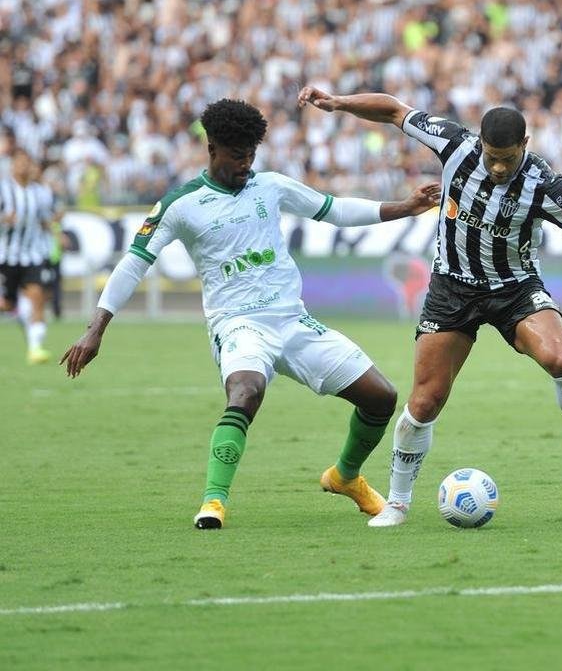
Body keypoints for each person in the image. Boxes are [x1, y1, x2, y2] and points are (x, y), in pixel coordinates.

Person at [297, 85, 562, 528]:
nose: (496, 166)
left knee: (560, 357)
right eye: (491, 155)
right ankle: (397, 502)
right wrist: (338, 103)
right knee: (426, 399)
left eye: (506, 159)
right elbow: (395, 110)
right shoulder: (454, 145)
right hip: (452, 287)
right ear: (480, 142)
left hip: (514, 287)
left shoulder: (544, 185)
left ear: (524, 147)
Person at [60, 99, 441, 530]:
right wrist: (95, 330)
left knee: (381, 398)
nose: (246, 163)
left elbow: (333, 210)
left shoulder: (270, 186)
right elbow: (134, 262)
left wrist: (405, 206)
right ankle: (213, 501)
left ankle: (345, 477)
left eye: (251, 154)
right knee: (246, 391)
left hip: (293, 320)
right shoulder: (181, 204)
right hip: (237, 323)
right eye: (237, 154)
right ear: (212, 148)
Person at [0, 148, 56, 364]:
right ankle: (17, 311)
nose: (24, 167)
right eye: (20, 162)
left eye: (27, 162)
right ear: (12, 165)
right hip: (6, 256)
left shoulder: (39, 193)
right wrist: (4, 220)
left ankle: (35, 349)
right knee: (6, 304)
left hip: (32, 256)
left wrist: (54, 226)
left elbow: (44, 220)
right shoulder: (3, 190)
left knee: (37, 299)